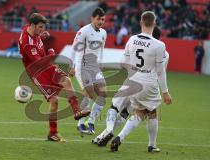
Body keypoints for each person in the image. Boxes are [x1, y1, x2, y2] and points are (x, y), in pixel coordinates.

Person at [95, 11, 172, 152]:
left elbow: (123, 62)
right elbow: (161, 71)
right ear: (154, 24)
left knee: (133, 111)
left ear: (141, 22)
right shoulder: (160, 46)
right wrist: (165, 92)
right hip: (148, 82)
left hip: (132, 80)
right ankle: (150, 144)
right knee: (151, 112)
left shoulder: (132, 39)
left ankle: (111, 132)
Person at [18, 13, 90, 142]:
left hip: (46, 66)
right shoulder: (27, 43)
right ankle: (52, 132)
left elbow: (36, 39)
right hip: (38, 73)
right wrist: (51, 53)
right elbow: (40, 63)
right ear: (33, 25)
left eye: (43, 27)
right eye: (40, 27)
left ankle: (77, 111)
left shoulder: (30, 30)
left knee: (66, 81)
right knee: (54, 101)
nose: (42, 30)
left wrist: (41, 35)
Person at [69, 8, 107, 134]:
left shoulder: (103, 33)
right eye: (98, 19)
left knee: (103, 94)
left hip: (95, 67)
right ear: (92, 18)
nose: (101, 22)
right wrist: (71, 66)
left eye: (103, 19)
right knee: (89, 94)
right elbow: (74, 49)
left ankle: (90, 122)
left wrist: (100, 63)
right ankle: (80, 124)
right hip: (82, 66)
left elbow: (101, 49)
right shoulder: (83, 31)